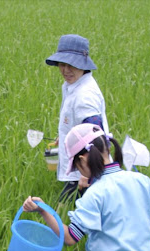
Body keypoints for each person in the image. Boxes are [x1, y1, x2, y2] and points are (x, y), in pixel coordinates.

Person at [45, 34, 111, 203]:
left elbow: (95, 136)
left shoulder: (85, 96)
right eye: (62, 64)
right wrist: (67, 137)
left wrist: (87, 174)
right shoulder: (73, 85)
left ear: (83, 64)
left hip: (85, 170)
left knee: (67, 213)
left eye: (71, 65)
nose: (65, 70)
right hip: (80, 166)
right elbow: (78, 124)